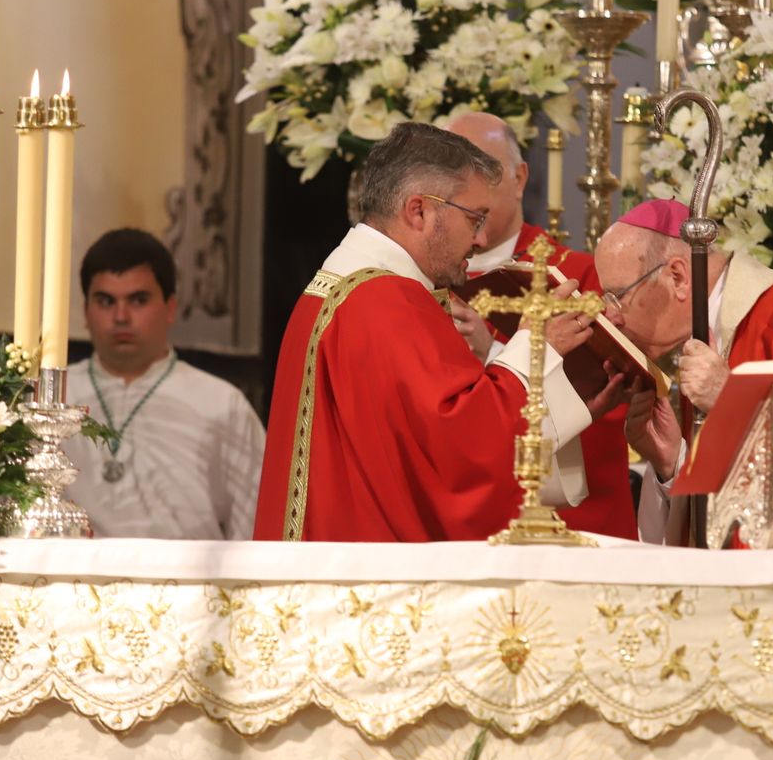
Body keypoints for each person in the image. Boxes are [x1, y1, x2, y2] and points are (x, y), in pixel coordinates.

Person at [254, 122, 624, 542]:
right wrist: (537, 348)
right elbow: (458, 451)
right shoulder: (384, 302)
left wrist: (565, 407)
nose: (481, 239)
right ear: (419, 211)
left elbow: (415, 448)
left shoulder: (352, 287)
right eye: (474, 218)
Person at [593, 198, 773, 544]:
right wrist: (672, 464)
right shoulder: (707, 334)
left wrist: (730, 401)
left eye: (617, 296)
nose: (611, 316)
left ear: (677, 276)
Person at [443, 112, 637, 541]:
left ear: (519, 177)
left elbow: (610, 396)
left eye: (485, 170)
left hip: (564, 522)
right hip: (462, 516)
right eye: (454, 174)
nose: (470, 187)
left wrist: (493, 355)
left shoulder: (576, 277)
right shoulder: (426, 278)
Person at [64, 228, 263, 539]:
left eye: (138, 300)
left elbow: (255, 528)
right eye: (105, 301)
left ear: (170, 307)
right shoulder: (51, 400)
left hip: (192, 586)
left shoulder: (222, 404)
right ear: (85, 312)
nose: (120, 316)